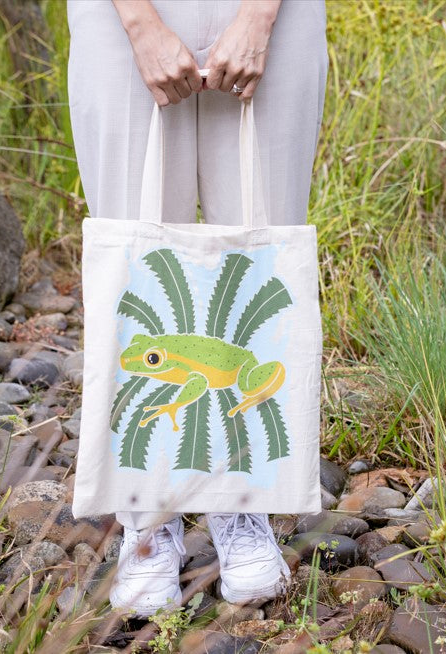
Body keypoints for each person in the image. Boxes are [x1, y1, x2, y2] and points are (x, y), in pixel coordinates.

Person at [66, 0, 327, 613]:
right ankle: (147, 517)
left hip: (278, 15)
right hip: (118, 14)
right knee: (135, 259)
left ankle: (244, 504)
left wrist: (260, 16)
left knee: (261, 257)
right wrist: (140, 22)